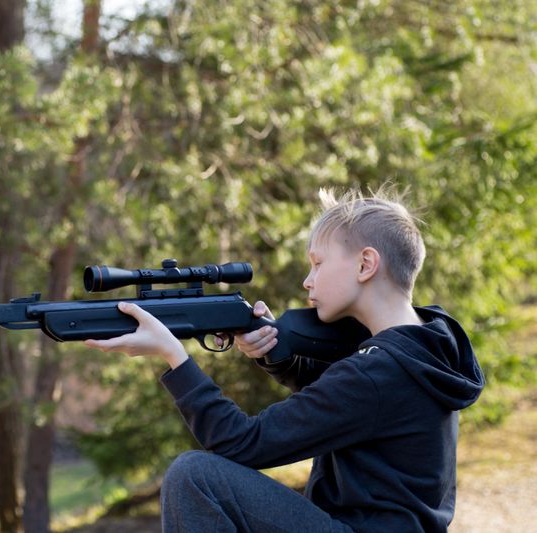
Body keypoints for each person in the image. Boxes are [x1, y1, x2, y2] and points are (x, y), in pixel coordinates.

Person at [84, 187, 485, 533]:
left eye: (317, 263)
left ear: (366, 264)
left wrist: (174, 356)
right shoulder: (424, 344)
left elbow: (243, 443)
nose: (308, 280)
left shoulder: (376, 371)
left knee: (195, 476)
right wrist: (279, 357)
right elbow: (347, 401)